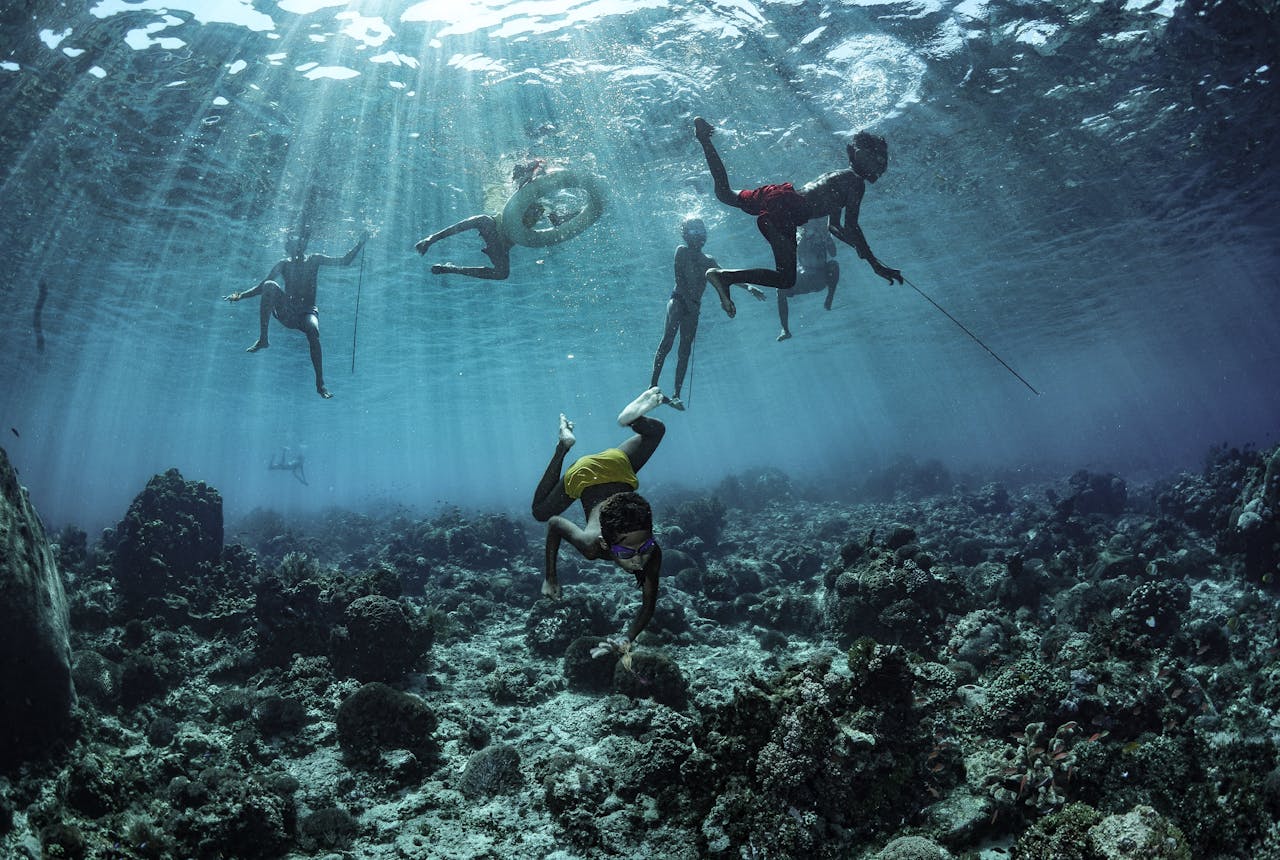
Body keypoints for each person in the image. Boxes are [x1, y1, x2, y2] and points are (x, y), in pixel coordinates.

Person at [692, 116, 903, 318]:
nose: (881, 166)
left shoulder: (843, 178)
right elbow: (852, 226)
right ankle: (725, 276)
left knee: (725, 193)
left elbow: (835, 226)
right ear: (865, 156)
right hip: (787, 209)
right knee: (785, 279)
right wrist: (875, 264)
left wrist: (859, 248)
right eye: (879, 159)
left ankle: (704, 139)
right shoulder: (856, 183)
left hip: (778, 194)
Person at [530, 387, 666, 659]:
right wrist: (551, 578)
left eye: (644, 547)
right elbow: (554, 523)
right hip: (586, 474)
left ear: (651, 536)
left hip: (619, 468)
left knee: (657, 431)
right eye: (626, 553)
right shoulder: (592, 546)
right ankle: (563, 447)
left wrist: (626, 640)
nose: (639, 560)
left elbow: (648, 605)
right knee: (540, 512)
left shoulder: (651, 551)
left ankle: (631, 420)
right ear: (606, 543)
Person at [224, 227, 368, 398]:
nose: (297, 245)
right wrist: (240, 295)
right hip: (288, 312)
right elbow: (261, 287)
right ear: (288, 246)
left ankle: (320, 383)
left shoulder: (314, 259)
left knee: (313, 330)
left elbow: (345, 261)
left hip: (307, 313)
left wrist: (360, 243)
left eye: (300, 241)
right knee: (270, 285)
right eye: (293, 242)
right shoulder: (283, 264)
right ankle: (263, 339)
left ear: (304, 244)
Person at [649, 218, 763, 410]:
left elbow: (725, 277)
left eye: (699, 232)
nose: (697, 236)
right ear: (685, 234)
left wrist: (749, 287)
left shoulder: (708, 260)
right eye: (692, 232)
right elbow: (679, 277)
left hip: (693, 307)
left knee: (685, 351)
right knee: (667, 341)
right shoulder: (681, 251)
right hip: (678, 301)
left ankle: (676, 395)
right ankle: (652, 385)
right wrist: (689, 303)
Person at [414, 158, 576, 280]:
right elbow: (522, 182)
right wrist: (532, 169)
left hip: (504, 244)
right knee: (484, 220)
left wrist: (576, 217)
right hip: (495, 228)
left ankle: (450, 269)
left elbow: (557, 223)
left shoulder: (544, 204)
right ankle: (431, 239)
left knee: (502, 274)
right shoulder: (525, 189)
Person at [775, 224, 840, 341]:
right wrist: (804, 237)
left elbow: (834, 253)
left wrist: (827, 238)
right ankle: (785, 329)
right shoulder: (798, 236)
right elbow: (794, 253)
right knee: (780, 288)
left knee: (834, 265)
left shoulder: (823, 234)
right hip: (804, 279)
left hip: (820, 279)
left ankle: (830, 297)